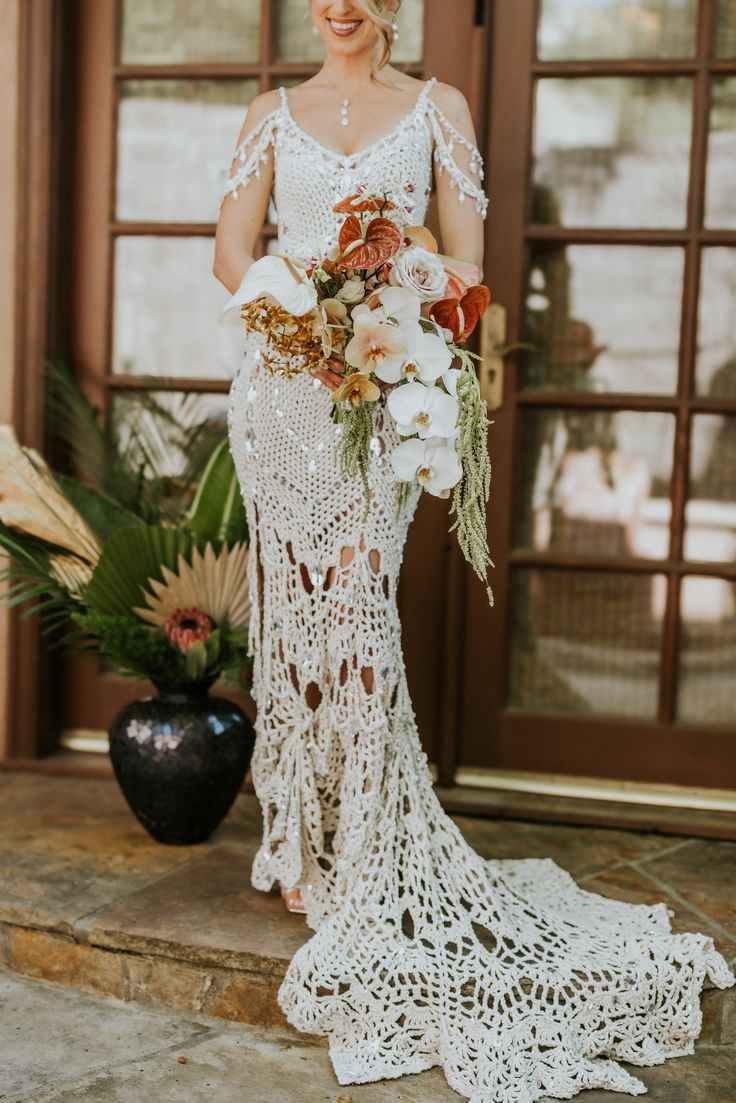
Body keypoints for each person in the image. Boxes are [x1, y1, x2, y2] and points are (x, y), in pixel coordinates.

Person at [214, 3, 735, 1100]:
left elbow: (467, 268)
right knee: (293, 609)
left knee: (355, 608)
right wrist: (306, 325)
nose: (343, 2)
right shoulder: (270, 114)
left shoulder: (436, 109)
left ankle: (368, 839)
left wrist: (386, 304)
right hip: (283, 401)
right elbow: (231, 254)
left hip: (385, 394)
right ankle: (297, 840)